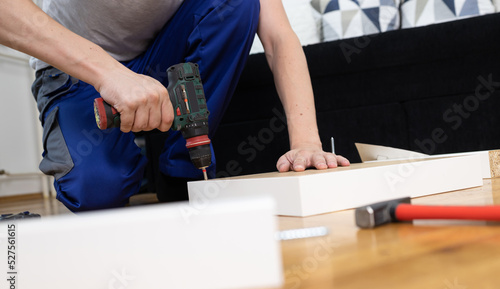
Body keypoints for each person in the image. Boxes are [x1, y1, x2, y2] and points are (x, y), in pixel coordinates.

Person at [0, 0, 350, 212]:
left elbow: (278, 37)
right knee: (96, 192)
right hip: (77, 69)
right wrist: (109, 74)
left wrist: (307, 143)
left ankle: (180, 172)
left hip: (157, 53)